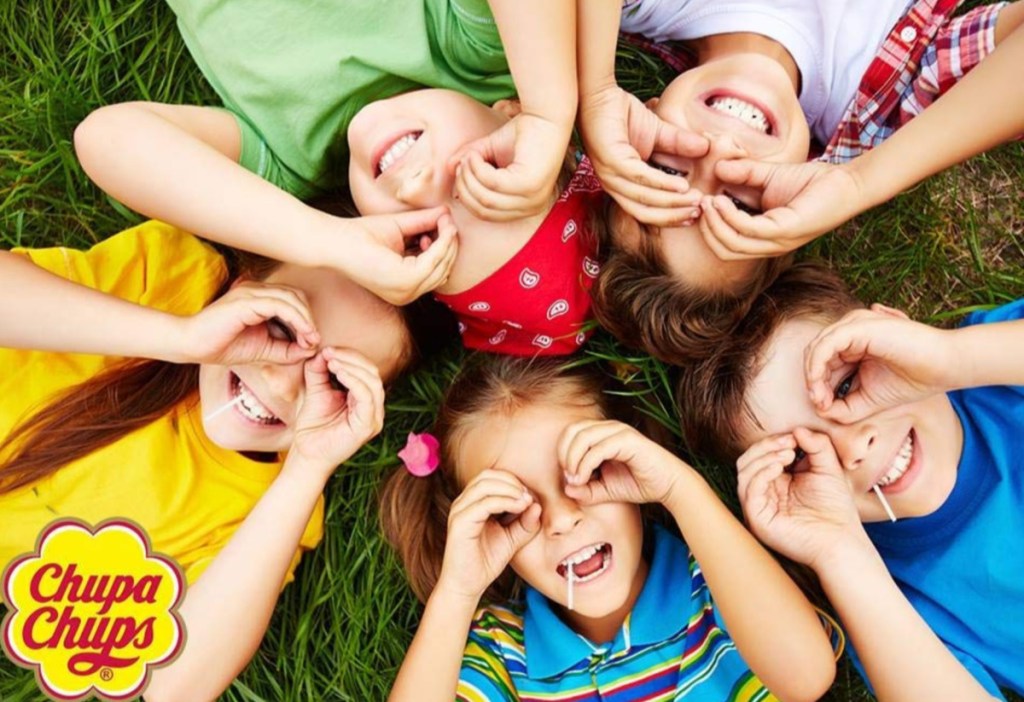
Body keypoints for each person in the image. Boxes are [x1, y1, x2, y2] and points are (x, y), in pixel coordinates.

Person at [0, 216, 449, 700]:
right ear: (242, 285)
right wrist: (180, 337)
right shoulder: (171, 276)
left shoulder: (269, 509)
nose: (281, 382)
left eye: (336, 380)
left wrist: (309, 466)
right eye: (281, 326)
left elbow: (172, 688)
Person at [73, 1, 607, 356]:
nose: (417, 186)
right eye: (484, 174)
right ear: (509, 114)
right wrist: (549, 110)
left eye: (420, 237)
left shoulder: (292, 162)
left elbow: (109, 138)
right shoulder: (474, 51)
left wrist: (328, 241)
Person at [581, 0, 1024, 363]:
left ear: (643, 116)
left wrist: (594, 88)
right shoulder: (883, 109)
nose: (719, 152)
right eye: (740, 204)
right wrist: (857, 182)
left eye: (666, 173)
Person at [379, 356, 837, 700]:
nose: (562, 521)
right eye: (513, 510)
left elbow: (808, 677)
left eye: (588, 474)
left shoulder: (721, 585)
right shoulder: (504, 652)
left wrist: (680, 488)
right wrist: (457, 591)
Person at [676, 261, 1024, 699]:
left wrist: (953, 357)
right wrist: (839, 553)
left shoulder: (998, 366)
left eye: (846, 387)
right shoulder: (887, 600)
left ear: (895, 333)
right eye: (802, 457)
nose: (854, 449)